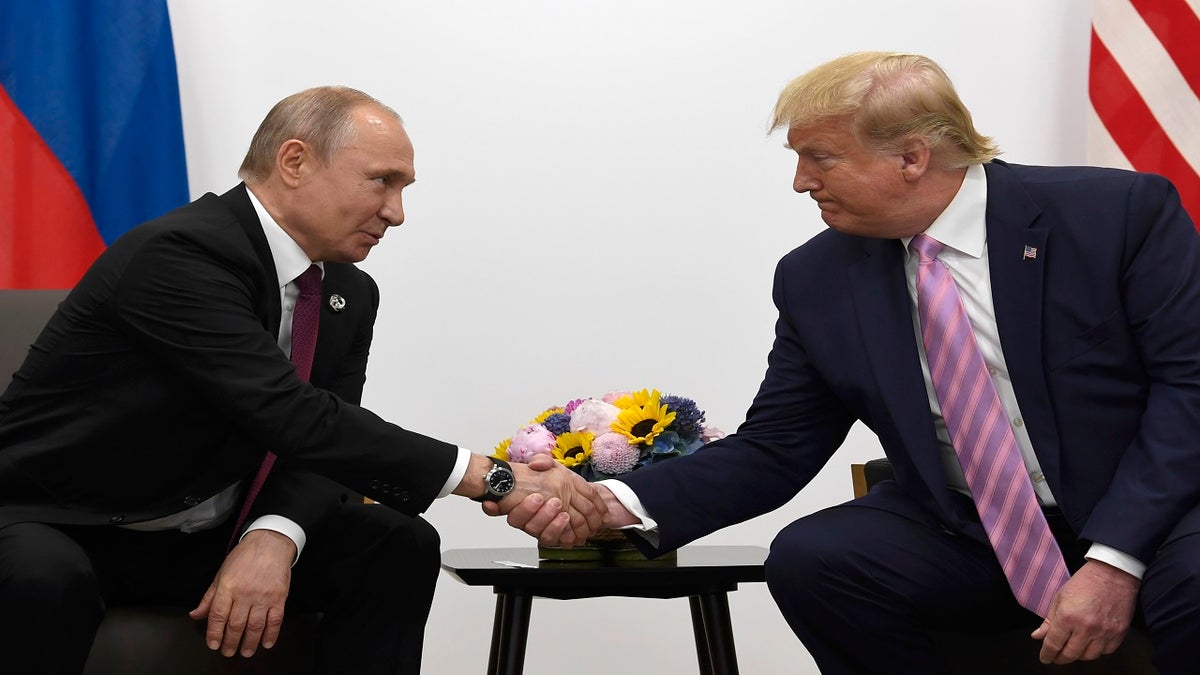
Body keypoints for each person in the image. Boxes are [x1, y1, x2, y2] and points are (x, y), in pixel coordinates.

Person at [506, 52, 1200, 673]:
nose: (801, 183)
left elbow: (1189, 387)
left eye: (821, 158)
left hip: (1153, 515)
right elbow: (777, 447)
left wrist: (1113, 559)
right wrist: (611, 502)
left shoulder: (1114, 215)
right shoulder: (817, 278)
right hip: (972, 530)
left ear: (913, 156)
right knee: (819, 561)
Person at [0, 85, 605, 675]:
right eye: (381, 181)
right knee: (43, 575)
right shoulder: (179, 255)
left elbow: (322, 446)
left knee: (394, 544)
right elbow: (290, 413)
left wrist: (273, 538)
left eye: (402, 189)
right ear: (295, 161)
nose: (396, 213)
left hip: (199, 532)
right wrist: (491, 478)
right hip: (60, 521)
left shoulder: (347, 290)